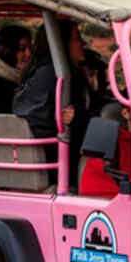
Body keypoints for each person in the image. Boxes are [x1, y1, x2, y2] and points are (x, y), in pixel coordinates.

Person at [13, 18, 89, 186]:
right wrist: (59, 120)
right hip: (55, 165)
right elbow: (29, 118)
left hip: (70, 156)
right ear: (62, 43)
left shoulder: (71, 73)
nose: (83, 43)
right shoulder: (50, 74)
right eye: (77, 38)